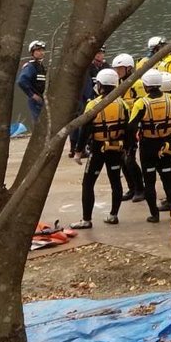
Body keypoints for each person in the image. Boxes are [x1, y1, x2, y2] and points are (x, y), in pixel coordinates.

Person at [70, 68, 128, 229]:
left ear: (100, 85)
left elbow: (85, 129)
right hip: (116, 148)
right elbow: (128, 128)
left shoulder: (93, 105)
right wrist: (127, 148)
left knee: (88, 183)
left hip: (97, 149)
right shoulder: (122, 103)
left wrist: (78, 151)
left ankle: (86, 219)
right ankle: (113, 215)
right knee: (115, 180)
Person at [128, 71, 171, 223]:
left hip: (148, 145)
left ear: (146, 85)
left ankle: (154, 214)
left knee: (149, 181)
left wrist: (130, 147)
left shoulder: (141, 103)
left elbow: (132, 126)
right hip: (167, 143)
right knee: (169, 178)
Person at [111, 53, 146, 202]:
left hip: (134, 124)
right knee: (122, 159)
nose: (117, 72)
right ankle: (132, 187)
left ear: (129, 68)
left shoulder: (137, 84)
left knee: (129, 159)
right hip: (123, 124)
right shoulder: (119, 83)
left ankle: (140, 188)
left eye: (120, 69)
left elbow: (143, 103)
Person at [74, 48, 107, 163]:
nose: (100, 55)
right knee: (85, 124)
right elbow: (86, 86)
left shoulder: (106, 66)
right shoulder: (88, 68)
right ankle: (82, 147)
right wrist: (89, 99)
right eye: (98, 53)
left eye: (102, 53)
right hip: (89, 99)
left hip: (103, 99)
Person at [17, 39, 48, 126]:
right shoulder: (30, 66)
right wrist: (32, 95)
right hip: (35, 100)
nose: (41, 52)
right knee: (39, 123)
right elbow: (21, 81)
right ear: (32, 52)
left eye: (42, 50)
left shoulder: (41, 66)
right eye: (38, 50)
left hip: (43, 98)